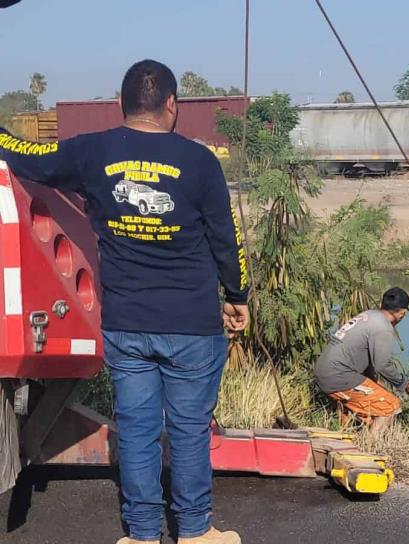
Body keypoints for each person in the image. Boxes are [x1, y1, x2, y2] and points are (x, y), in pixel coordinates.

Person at [0, 60, 247, 544]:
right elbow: (226, 240)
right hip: (192, 325)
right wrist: (236, 296)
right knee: (189, 430)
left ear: (120, 103)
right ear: (172, 105)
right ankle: (195, 533)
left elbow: (27, 157)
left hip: (127, 324)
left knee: (136, 431)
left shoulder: (93, 152)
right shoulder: (200, 162)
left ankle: (140, 534)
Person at [315, 287, 409, 433]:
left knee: (374, 403)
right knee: (391, 406)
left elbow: (369, 361)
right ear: (402, 313)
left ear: (382, 304)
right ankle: (370, 447)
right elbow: (382, 365)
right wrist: (405, 383)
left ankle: (349, 433)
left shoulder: (368, 315)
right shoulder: (382, 327)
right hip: (338, 377)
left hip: (324, 372)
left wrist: (374, 382)